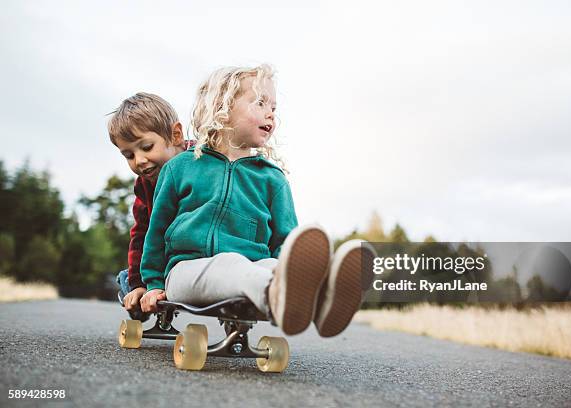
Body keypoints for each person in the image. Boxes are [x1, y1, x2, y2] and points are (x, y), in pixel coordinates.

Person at [140, 65, 374, 337]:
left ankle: (323, 305)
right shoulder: (181, 167)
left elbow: (285, 244)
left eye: (273, 107)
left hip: (252, 269)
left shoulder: (272, 179)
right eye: (260, 102)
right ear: (222, 107)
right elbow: (156, 232)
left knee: (273, 267)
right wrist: (153, 283)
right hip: (186, 272)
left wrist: (286, 267)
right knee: (232, 265)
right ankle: (277, 296)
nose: (271, 113)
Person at [107, 92, 193, 320]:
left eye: (146, 147)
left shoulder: (202, 163)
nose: (139, 160)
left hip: (194, 257)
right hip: (160, 260)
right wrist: (138, 284)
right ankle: (137, 290)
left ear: (175, 135)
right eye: (129, 155)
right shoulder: (144, 184)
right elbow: (141, 233)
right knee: (128, 280)